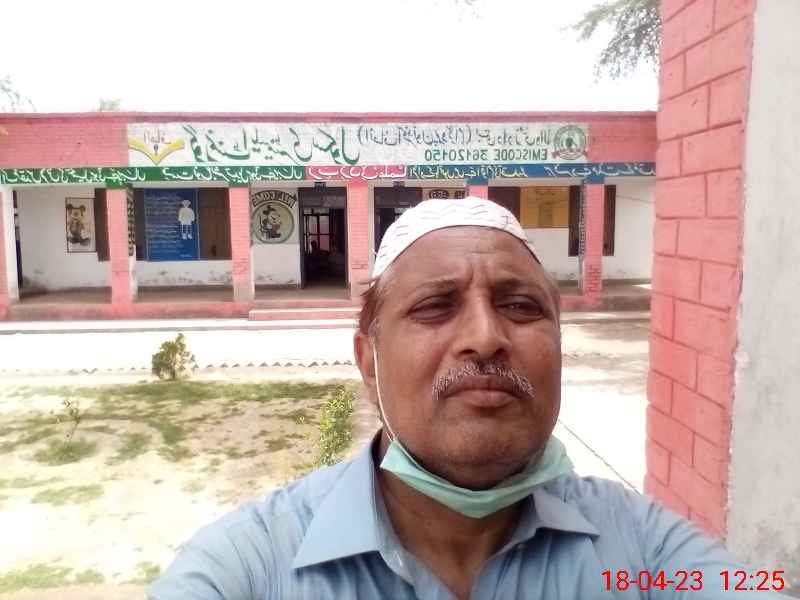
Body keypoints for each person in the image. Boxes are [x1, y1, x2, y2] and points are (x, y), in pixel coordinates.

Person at [149, 197, 791, 599]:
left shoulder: (643, 553)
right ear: (368, 362)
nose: (486, 337)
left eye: (521, 306)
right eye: (435, 306)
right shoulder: (252, 567)